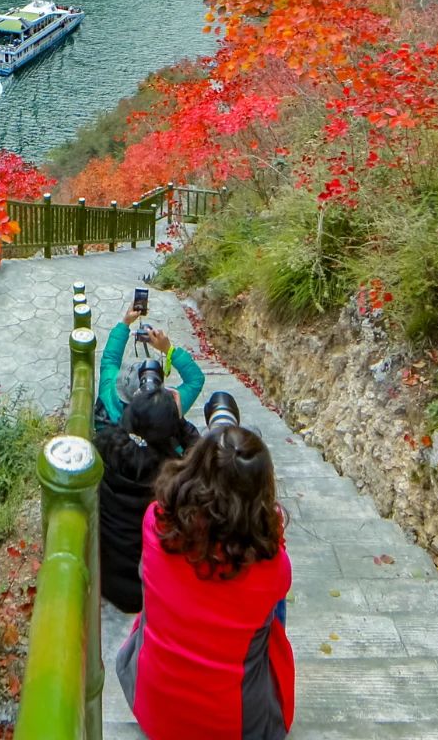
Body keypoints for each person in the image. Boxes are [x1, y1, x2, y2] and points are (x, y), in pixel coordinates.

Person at [116, 426, 294, 740]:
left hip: (155, 710)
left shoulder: (155, 521)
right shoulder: (272, 567)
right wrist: (272, 532)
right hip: (238, 728)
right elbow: (265, 559)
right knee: (272, 606)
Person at [95, 384, 197, 612]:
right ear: (168, 433)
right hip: (148, 588)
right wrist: (180, 423)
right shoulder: (173, 477)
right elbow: (202, 459)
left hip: (106, 578)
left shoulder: (103, 447)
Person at [97, 304, 205, 428]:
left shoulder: (107, 393)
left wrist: (125, 322)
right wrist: (168, 349)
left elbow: (110, 359)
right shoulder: (169, 410)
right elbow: (195, 379)